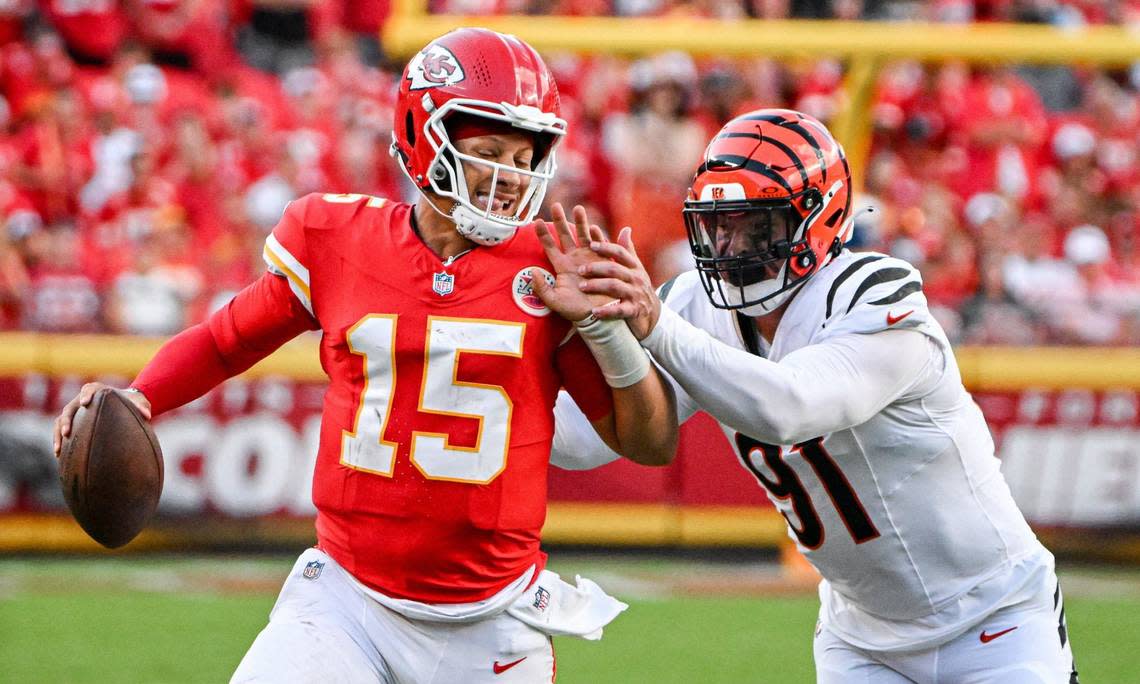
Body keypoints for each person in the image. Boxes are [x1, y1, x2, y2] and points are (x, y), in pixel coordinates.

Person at [52, 28, 678, 683]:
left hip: (491, 622)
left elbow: (651, 440)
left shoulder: (550, 268)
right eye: (489, 152)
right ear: (424, 137)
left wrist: (607, 333)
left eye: (523, 159)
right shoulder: (338, 238)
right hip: (347, 601)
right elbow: (226, 338)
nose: (508, 179)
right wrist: (142, 394)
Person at [551, 109, 1078, 683]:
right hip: (859, 636)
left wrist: (653, 326)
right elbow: (582, 441)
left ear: (818, 221)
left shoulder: (874, 295)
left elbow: (790, 407)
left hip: (991, 619)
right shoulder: (696, 307)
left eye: (757, 226)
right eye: (720, 224)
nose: (731, 247)